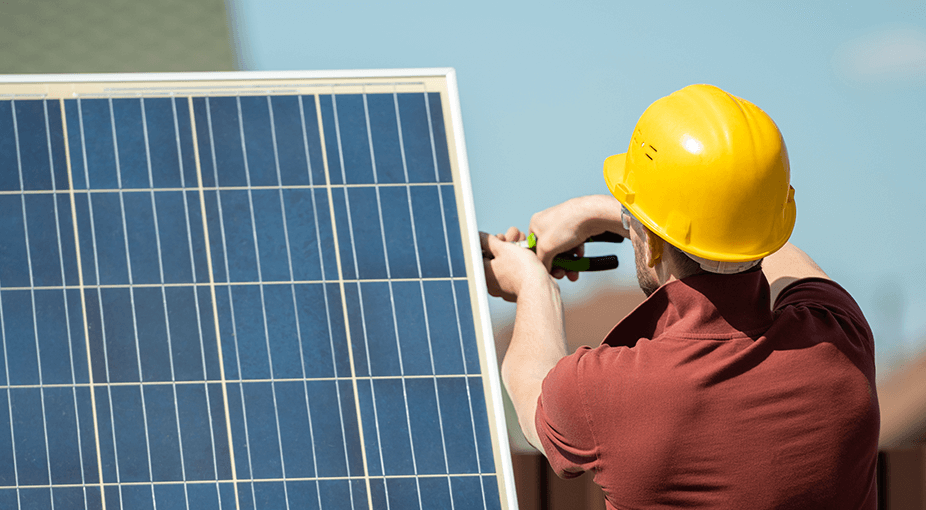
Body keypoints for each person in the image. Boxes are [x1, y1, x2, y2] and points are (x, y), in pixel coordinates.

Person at [481, 84, 879, 509]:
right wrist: (629, 217)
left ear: (651, 244)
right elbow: (772, 248)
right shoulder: (842, 341)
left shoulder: (605, 389)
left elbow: (530, 391)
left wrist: (532, 283)